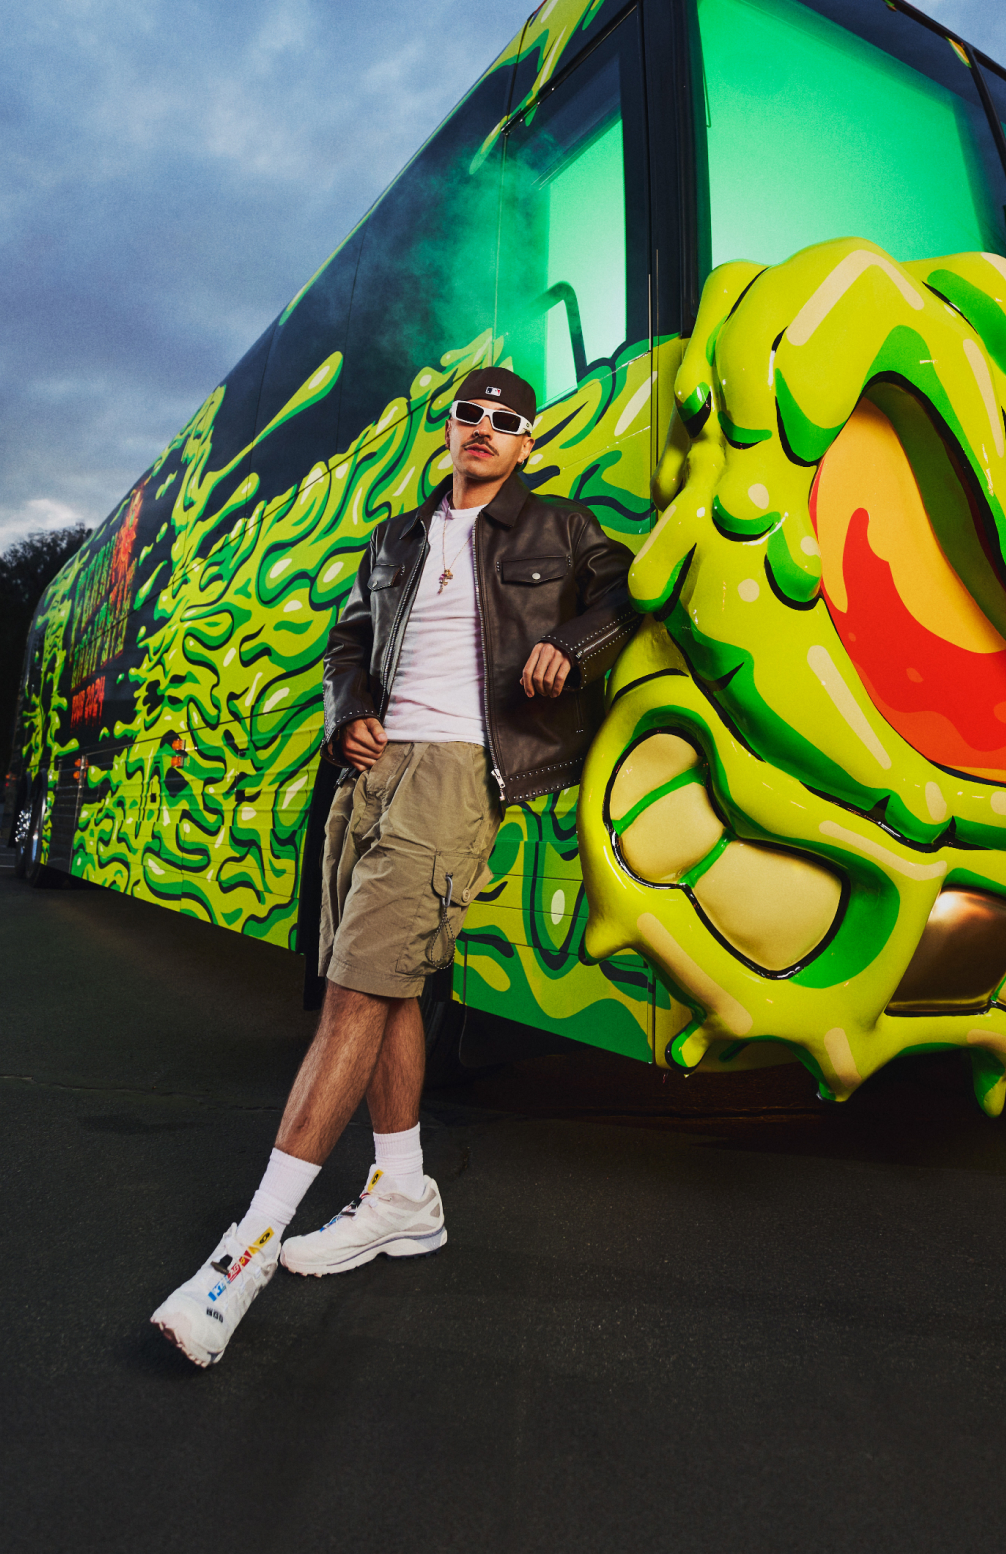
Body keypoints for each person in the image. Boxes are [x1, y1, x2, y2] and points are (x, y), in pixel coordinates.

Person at [151, 364, 638, 1367]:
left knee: (351, 1000)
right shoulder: (396, 537)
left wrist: (575, 650)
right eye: (472, 414)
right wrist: (349, 709)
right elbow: (348, 641)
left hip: (460, 774)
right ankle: (405, 1189)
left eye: (508, 422)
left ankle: (243, 1251)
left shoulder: (561, 527)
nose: (486, 430)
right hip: (369, 775)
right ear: (448, 425)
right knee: (388, 987)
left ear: (526, 444)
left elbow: (631, 592)